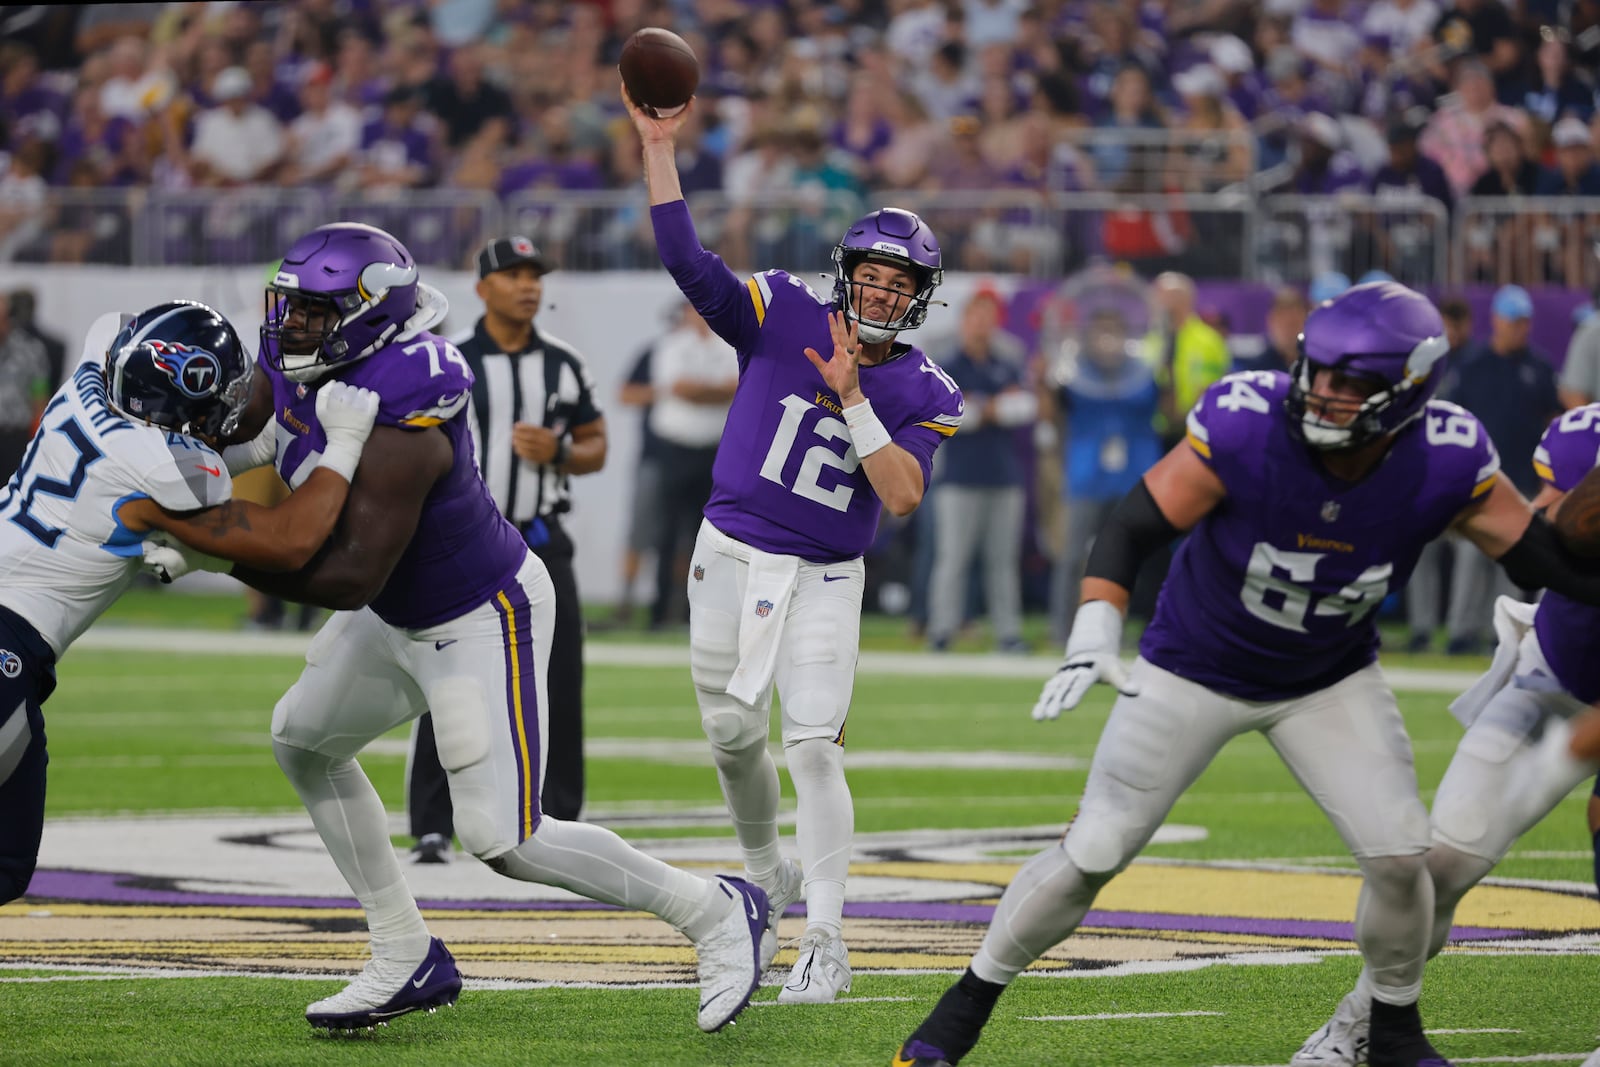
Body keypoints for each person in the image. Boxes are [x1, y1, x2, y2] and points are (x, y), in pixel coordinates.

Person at [893, 281, 1600, 1067]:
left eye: (1351, 381)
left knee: (1402, 859)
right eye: (1320, 370)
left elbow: (1540, 559)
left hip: (1327, 677)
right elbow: (1134, 524)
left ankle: (1392, 1033)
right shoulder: (1250, 420)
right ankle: (956, 1016)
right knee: (1094, 847)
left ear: (1410, 388)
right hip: (1194, 664)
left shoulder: (1448, 452)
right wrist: (1095, 625)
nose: (1325, 392)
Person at [207, 222, 767, 1033]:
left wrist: (207, 548)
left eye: (312, 312)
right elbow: (237, 427)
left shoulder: (415, 383)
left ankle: (716, 910)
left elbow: (347, 574)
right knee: (302, 738)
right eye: (289, 308)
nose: (290, 327)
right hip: (396, 613)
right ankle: (403, 949)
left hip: (476, 613)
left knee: (506, 837)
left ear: (367, 314)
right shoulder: (303, 360)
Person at [625, 89, 964, 1004]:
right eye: (875, 277)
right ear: (847, 273)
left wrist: (854, 396)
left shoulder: (927, 387)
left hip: (824, 575)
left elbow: (899, 495)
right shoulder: (779, 308)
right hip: (726, 553)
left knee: (813, 745)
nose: (884, 293)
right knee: (733, 735)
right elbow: (685, 260)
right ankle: (765, 876)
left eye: (902, 284)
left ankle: (826, 935)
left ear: (920, 297)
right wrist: (660, 148)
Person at [0, 300, 378, 907]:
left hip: (15, 633)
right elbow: (290, 543)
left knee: (6, 862)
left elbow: (127, 443)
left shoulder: (87, 383)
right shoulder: (164, 473)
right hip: (8, 648)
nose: (227, 410)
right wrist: (345, 446)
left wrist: (253, 451)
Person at [1292, 402, 1600, 1066]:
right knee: (1443, 862)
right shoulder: (1585, 434)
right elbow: (1536, 532)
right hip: (1552, 676)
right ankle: (1359, 1020)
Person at [404, 235, 606, 865]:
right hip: (464, 542)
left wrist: (563, 453)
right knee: (451, 676)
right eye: (514, 275)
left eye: (535, 275)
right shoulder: (448, 360)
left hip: (543, 538)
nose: (529, 286)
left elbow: (596, 442)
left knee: (561, 676)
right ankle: (431, 823)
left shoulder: (565, 363)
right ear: (481, 287)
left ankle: (563, 814)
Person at [1436, 284, 1561, 655]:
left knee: (1513, 559)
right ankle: (1461, 632)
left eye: (1524, 321)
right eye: (1513, 321)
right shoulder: (1473, 366)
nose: (1520, 328)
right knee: (1472, 559)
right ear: (1496, 321)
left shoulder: (1538, 367)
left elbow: (1552, 421)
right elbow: (1452, 419)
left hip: (1523, 480)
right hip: (1479, 482)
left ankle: (1501, 635)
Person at [926, 287, 1034, 653]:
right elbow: (955, 416)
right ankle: (941, 630)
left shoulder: (1006, 361)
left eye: (988, 318)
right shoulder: (949, 363)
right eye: (976, 316)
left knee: (1002, 561)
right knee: (953, 558)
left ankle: (1008, 633)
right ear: (964, 320)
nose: (982, 325)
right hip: (958, 475)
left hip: (1003, 475)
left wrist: (983, 408)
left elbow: (1023, 408)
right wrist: (994, 408)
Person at [646, 303, 738, 630]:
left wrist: (698, 391)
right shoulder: (672, 345)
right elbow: (678, 388)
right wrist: (712, 392)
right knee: (667, 533)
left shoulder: (728, 344)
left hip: (713, 451)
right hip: (675, 449)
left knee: (709, 536)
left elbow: (735, 387)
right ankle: (659, 611)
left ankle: (697, 613)